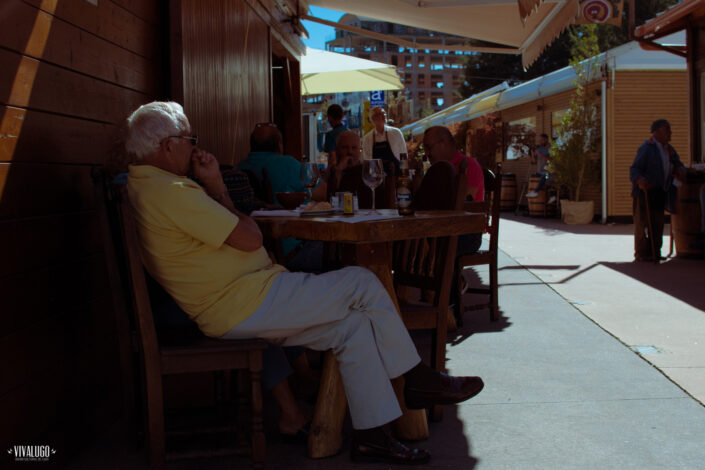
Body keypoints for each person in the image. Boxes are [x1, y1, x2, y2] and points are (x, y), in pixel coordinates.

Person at [124, 101, 484, 465]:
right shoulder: (171, 192)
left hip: (245, 298)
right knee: (362, 281)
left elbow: (241, 234)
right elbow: (251, 238)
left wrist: (216, 192)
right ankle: (416, 378)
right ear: (167, 146)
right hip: (241, 302)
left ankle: (372, 436)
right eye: (189, 138)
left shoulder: (149, 187)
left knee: (354, 326)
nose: (194, 146)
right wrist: (217, 189)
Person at [238, 123, 327, 270]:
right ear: (279, 145)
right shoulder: (287, 164)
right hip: (292, 254)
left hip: (256, 255)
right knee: (334, 247)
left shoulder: (240, 168)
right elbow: (323, 192)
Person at [423, 126, 485, 319]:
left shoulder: (468, 165)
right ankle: (427, 299)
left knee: (442, 247)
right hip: (443, 230)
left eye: (428, 147)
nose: (426, 154)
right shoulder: (435, 171)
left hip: (467, 234)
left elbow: (465, 200)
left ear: (443, 143)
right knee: (414, 245)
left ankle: (447, 309)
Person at [629, 119, 685, 262]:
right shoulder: (647, 148)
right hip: (644, 192)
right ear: (657, 132)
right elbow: (634, 169)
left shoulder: (669, 150)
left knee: (657, 224)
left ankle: (655, 252)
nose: (670, 133)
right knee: (642, 225)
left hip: (660, 191)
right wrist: (640, 180)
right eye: (667, 130)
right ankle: (642, 254)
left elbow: (679, 164)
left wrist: (680, 170)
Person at [328, 130, 391, 209]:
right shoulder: (332, 172)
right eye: (344, 148)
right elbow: (329, 201)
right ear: (337, 150)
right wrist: (338, 171)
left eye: (354, 148)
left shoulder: (368, 172)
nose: (350, 152)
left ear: (359, 150)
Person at [362, 106, 406, 176]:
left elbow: (403, 155)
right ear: (373, 118)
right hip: (377, 179)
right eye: (380, 114)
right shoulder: (367, 139)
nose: (384, 115)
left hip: (396, 175)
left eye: (384, 113)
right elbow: (367, 162)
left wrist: (405, 175)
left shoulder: (396, 133)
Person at [526, 133, 555, 203]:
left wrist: (540, 154)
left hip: (549, 171)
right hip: (540, 171)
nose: (540, 142)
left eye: (542, 140)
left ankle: (537, 192)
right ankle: (551, 196)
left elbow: (551, 159)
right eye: (540, 140)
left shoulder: (551, 148)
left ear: (546, 140)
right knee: (542, 176)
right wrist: (533, 153)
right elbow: (534, 162)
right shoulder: (539, 149)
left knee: (547, 177)